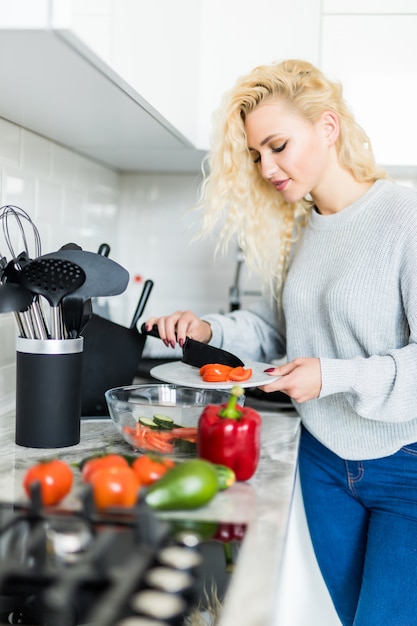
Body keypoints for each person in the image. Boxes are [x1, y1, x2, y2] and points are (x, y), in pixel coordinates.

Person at [143, 59, 417, 626]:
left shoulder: (405, 216)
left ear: (328, 127)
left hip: (405, 466)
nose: (267, 167)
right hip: (321, 464)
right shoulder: (302, 231)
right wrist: (209, 330)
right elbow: (277, 335)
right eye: (256, 155)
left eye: (277, 145)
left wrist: (332, 376)